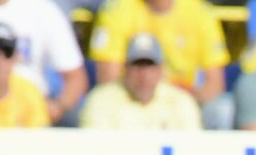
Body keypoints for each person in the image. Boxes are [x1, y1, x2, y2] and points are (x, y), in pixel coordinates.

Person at [89, 0, 226, 127]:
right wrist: (147, 89)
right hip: (130, 96)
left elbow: (214, 85)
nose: (145, 71)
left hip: (184, 98)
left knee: (221, 109)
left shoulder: (200, 12)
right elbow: (108, 79)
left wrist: (181, 97)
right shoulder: (118, 10)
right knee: (102, 102)